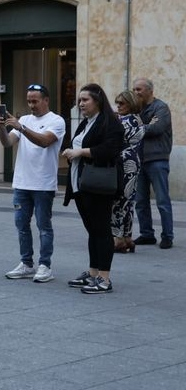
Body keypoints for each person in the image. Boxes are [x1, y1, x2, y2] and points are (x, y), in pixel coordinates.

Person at [0, 83, 66, 283]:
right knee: (21, 225)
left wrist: (21, 127)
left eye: (35, 101)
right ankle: (26, 263)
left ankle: (45, 265)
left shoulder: (57, 121)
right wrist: (2, 129)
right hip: (21, 183)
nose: (31, 105)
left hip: (43, 184)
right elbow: (8, 143)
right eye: (29, 101)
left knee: (44, 225)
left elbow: (44, 141)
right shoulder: (24, 119)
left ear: (46, 100)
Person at [62, 83, 124, 294]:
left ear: (97, 101)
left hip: (98, 185)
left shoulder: (110, 123)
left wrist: (80, 152)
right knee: (92, 231)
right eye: (79, 100)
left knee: (102, 231)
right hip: (81, 184)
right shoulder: (86, 123)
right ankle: (93, 273)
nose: (80, 104)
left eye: (85, 100)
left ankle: (104, 279)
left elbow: (110, 150)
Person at [132, 77, 174, 249]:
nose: (136, 93)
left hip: (157, 160)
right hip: (139, 160)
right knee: (140, 201)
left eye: (139, 89)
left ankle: (167, 236)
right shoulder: (136, 109)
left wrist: (134, 128)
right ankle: (147, 234)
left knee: (162, 201)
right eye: (134, 89)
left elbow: (155, 128)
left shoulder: (161, 108)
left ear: (150, 90)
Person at [110, 90, 145, 253]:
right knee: (128, 202)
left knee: (117, 201)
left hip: (122, 163)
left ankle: (118, 239)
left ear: (130, 103)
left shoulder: (122, 121)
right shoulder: (138, 119)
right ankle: (128, 238)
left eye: (121, 103)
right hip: (134, 162)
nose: (118, 106)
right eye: (117, 103)